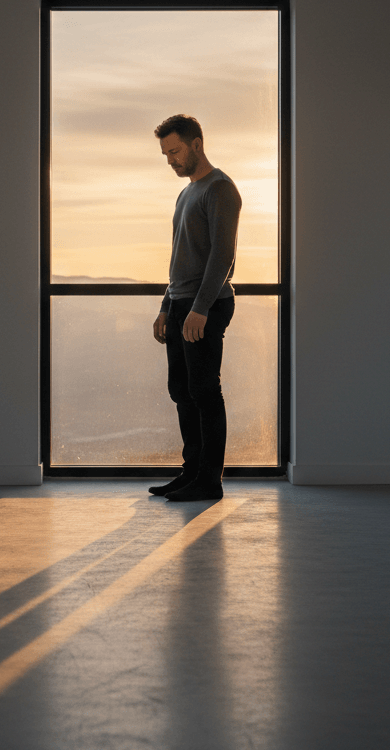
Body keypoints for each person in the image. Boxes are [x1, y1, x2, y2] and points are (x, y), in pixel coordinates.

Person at [149, 114, 241, 502]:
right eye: (166, 153)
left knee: (205, 392)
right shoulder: (187, 192)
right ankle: (191, 473)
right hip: (183, 303)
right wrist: (167, 306)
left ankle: (209, 481)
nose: (170, 159)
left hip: (207, 305)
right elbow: (178, 258)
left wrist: (199, 309)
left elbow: (223, 259)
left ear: (196, 144)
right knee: (182, 391)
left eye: (175, 151)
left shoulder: (220, 189)